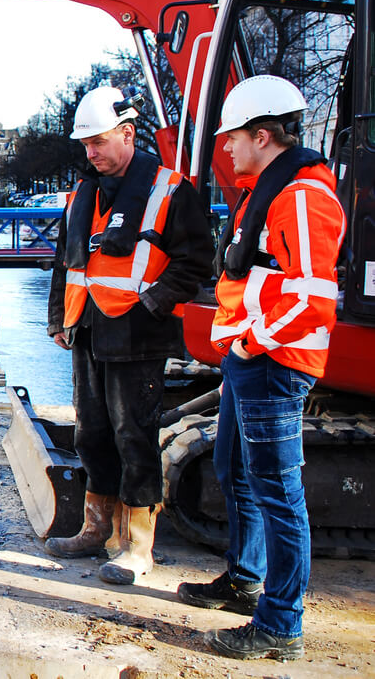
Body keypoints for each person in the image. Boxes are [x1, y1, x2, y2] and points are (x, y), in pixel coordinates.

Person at [177, 75, 344, 661]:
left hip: (272, 362)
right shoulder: (268, 189)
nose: (225, 147)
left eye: (232, 137)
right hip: (249, 359)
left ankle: (280, 625)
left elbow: (311, 297)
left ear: (263, 135)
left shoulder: (300, 195)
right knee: (235, 468)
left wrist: (252, 344)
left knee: (277, 489)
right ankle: (245, 581)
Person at [45, 86, 212, 585]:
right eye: (86, 145)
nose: (91, 153)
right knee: (91, 434)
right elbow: (65, 264)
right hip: (89, 330)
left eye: (98, 142)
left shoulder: (168, 190)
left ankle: (138, 547)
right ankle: (96, 529)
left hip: (139, 335)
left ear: (127, 134)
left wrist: (154, 303)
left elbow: (196, 262)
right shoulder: (82, 195)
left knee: (133, 436)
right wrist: (59, 319)